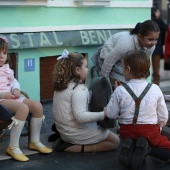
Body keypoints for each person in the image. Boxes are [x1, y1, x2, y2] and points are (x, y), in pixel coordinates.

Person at [105, 50, 170, 169]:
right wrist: (160, 126)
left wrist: (113, 96)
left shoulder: (120, 90)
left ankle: (131, 145)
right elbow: (163, 115)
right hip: (149, 131)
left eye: (122, 68)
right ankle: (148, 150)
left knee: (134, 136)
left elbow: (111, 114)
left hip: (126, 131)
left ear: (128, 69)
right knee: (166, 147)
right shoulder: (155, 89)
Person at [52, 49, 120, 152]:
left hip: (64, 131)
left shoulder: (61, 86)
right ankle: (75, 148)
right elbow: (81, 117)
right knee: (115, 141)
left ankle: (67, 141)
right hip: (76, 133)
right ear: (78, 70)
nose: (88, 69)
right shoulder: (79, 89)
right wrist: (104, 114)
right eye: (86, 66)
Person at [0, 37, 52, 162]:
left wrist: (16, 90)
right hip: (1, 101)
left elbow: (14, 82)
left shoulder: (7, 69)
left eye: (4, 53)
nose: (2, 56)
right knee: (23, 108)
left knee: (37, 105)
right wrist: (3, 95)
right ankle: (13, 146)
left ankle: (34, 141)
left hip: (11, 98)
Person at [92, 20, 160, 86]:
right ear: (139, 37)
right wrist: (102, 83)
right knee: (122, 84)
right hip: (109, 58)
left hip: (125, 62)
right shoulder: (125, 44)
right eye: (150, 39)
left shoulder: (151, 46)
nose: (154, 43)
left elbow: (144, 65)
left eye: (156, 39)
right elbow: (108, 62)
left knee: (132, 84)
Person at [151, 7, 167, 85]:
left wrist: (159, 18)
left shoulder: (159, 22)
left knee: (156, 71)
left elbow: (165, 29)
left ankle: (156, 87)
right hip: (147, 48)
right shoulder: (148, 21)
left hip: (157, 50)